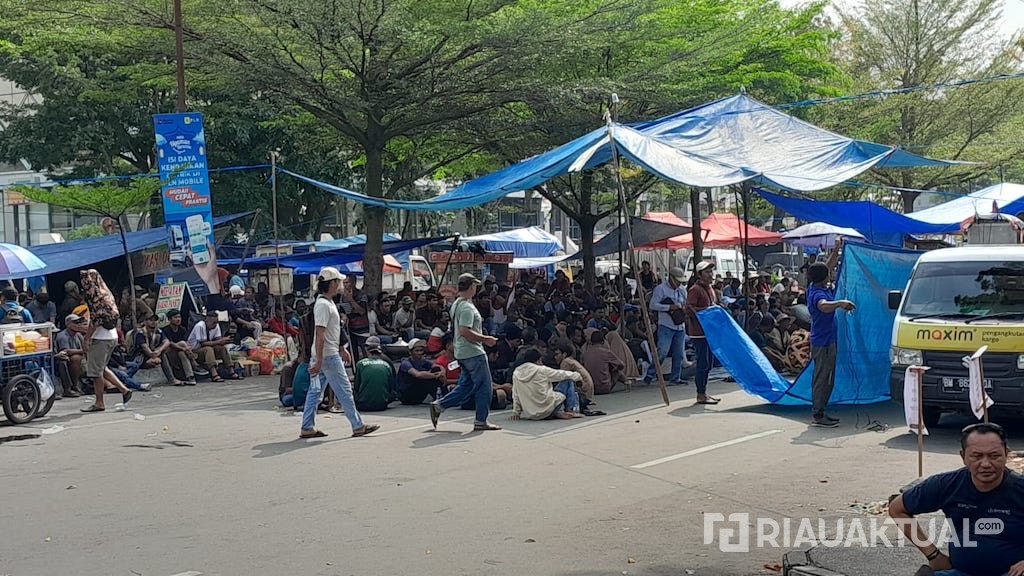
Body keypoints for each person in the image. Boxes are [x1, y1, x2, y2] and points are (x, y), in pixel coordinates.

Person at [889, 423, 1024, 576]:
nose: (986, 464)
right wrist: (933, 555)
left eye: (994, 456)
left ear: (1006, 454)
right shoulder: (946, 484)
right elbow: (897, 509)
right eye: (977, 456)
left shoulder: (1020, 488)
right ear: (963, 456)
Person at [300, 267, 379, 439]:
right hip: (328, 356)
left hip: (325, 354)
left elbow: (332, 330)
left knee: (315, 392)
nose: (341, 285)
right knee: (344, 390)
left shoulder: (326, 303)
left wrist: (341, 348)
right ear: (332, 283)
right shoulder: (323, 305)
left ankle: (307, 426)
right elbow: (320, 334)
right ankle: (357, 425)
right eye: (338, 282)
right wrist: (320, 359)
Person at [429, 273, 502, 432]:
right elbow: (464, 331)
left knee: (466, 386)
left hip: (462, 351)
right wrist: (486, 339)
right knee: (484, 387)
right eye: (475, 285)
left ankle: (439, 405)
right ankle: (481, 420)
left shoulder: (457, 304)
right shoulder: (467, 307)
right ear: (472, 286)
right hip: (473, 351)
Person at [807, 244, 855, 427]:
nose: (831, 273)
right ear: (825, 277)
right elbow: (823, 306)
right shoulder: (818, 294)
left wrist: (836, 250)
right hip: (823, 343)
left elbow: (827, 266)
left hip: (828, 340)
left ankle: (821, 410)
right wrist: (840, 303)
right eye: (829, 273)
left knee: (828, 378)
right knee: (822, 378)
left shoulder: (816, 285)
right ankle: (818, 414)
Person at [78, 269, 133, 412]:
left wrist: (86, 338)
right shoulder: (106, 293)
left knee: (95, 373)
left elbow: (95, 320)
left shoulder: (95, 296)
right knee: (101, 369)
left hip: (100, 338)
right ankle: (124, 390)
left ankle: (99, 403)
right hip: (111, 336)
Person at [511, 348, 584, 420]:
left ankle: (558, 413)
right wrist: (578, 376)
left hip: (531, 414)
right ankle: (571, 410)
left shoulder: (516, 373)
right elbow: (561, 374)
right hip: (548, 409)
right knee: (568, 380)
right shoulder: (541, 370)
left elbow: (515, 395)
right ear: (538, 360)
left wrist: (516, 412)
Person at [685, 261, 720, 405]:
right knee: (702, 363)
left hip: (710, 332)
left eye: (711, 271)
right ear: (699, 275)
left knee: (709, 364)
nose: (710, 274)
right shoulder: (695, 289)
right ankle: (700, 394)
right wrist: (706, 311)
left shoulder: (710, 289)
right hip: (699, 332)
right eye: (707, 272)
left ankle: (704, 392)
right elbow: (689, 309)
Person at [646, 267, 689, 385]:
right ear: (671, 278)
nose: (679, 283)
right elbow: (653, 305)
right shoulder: (661, 289)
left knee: (679, 354)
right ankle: (650, 373)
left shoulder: (682, 290)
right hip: (666, 325)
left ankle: (675, 377)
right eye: (677, 281)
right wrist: (669, 307)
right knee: (662, 351)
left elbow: (686, 303)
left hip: (680, 325)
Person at [134, 313, 184, 386]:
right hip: (141, 358)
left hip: (155, 354)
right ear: (145, 321)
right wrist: (153, 355)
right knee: (160, 356)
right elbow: (144, 347)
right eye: (151, 320)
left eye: (155, 320)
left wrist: (159, 351)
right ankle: (171, 379)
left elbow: (166, 342)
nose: (153, 322)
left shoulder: (158, 331)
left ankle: (172, 379)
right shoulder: (141, 332)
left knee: (164, 353)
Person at [188, 310, 238, 382]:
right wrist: (219, 341)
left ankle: (231, 371)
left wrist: (224, 340)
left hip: (208, 350)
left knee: (222, 348)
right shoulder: (200, 326)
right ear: (207, 321)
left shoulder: (216, 326)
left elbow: (217, 339)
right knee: (208, 349)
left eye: (216, 322)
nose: (215, 324)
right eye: (213, 323)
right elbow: (203, 343)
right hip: (195, 352)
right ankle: (214, 374)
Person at [397, 338, 445, 405]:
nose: (419, 353)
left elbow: (439, 367)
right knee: (425, 379)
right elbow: (417, 375)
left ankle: (442, 395)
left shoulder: (422, 361)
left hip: (417, 393)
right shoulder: (406, 363)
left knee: (436, 369)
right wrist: (435, 375)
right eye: (417, 351)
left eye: (421, 350)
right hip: (406, 395)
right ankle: (440, 397)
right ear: (410, 352)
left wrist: (442, 372)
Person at [353, 336, 395, 412]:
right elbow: (392, 386)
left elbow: (357, 386)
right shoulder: (386, 364)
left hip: (364, 404)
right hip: (383, 404)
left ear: (369, 351)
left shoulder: (361, 363)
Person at [54, 313, 88, 398]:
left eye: (79, 322)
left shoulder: (78, 335)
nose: (78, 324)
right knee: (75, 358)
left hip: (82, 361)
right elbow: (65, 351)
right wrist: (82, 351)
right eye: (75, 322)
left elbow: (85, 348)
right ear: (68, 324)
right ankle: (71, 387)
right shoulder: (63, 336)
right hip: (65, 361)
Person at [162, 309, 199, 385]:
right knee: (182, 344)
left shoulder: (182, 329)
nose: (178, 319)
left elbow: (186, 342)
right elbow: (170, 343)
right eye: (175, 317)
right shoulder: (165, 330)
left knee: (182, 353)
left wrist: (186, 348)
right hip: (169, 352)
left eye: (179, 317)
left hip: (180, 352)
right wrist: (184, 348)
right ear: (169, 319)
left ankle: (190, 377)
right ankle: (194, 363)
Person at [582, 329, 624, 395]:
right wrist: (615, 369)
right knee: (618, 373)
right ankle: (628, 383)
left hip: (590, 388)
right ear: (603, 342)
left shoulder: (585, 352)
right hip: (604, 388)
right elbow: (621, 365)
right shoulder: (606, 352)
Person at [553, 340, 594, 405]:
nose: (555, 357)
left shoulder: (565, 362)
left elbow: (562, 379)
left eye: (557, 354)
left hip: (583, 393)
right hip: (587, 392)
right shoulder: (570, 360)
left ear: (564, 354)